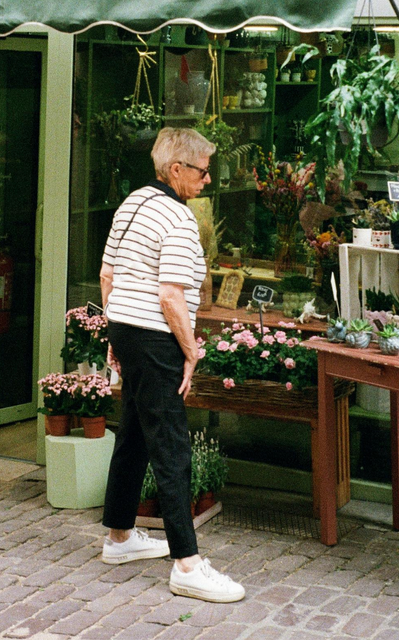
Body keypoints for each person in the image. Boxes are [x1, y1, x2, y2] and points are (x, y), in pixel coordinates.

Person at [95, 127, 244, 603]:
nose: (207, 179)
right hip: (156, 337)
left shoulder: (131, 203)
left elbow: (107, 275)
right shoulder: (179, 219)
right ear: (175, 169)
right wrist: (191, 350)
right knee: (173, 447)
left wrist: (116, 332)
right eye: (201, 170)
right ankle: (188, 563)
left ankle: (119, 536)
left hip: (126, 327)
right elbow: (171, 296)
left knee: (135, 432)